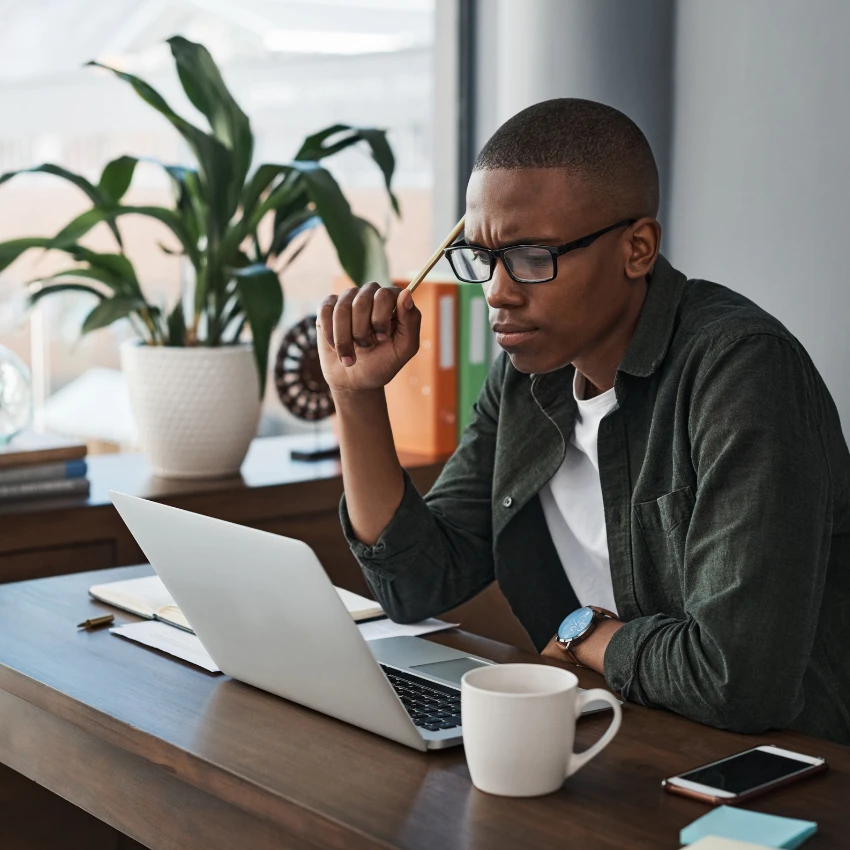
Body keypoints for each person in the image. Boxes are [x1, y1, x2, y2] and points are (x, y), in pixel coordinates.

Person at [316, 98, 850, 745]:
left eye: (532, 255)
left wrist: (584, 633)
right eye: (484, 257)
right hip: (622, 730)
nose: (498, 292)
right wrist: (356, 397)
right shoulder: (526, 379)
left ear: (637, 249)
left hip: (783, 766)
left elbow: (736, 678)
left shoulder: (742, 371)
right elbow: (417, 584)